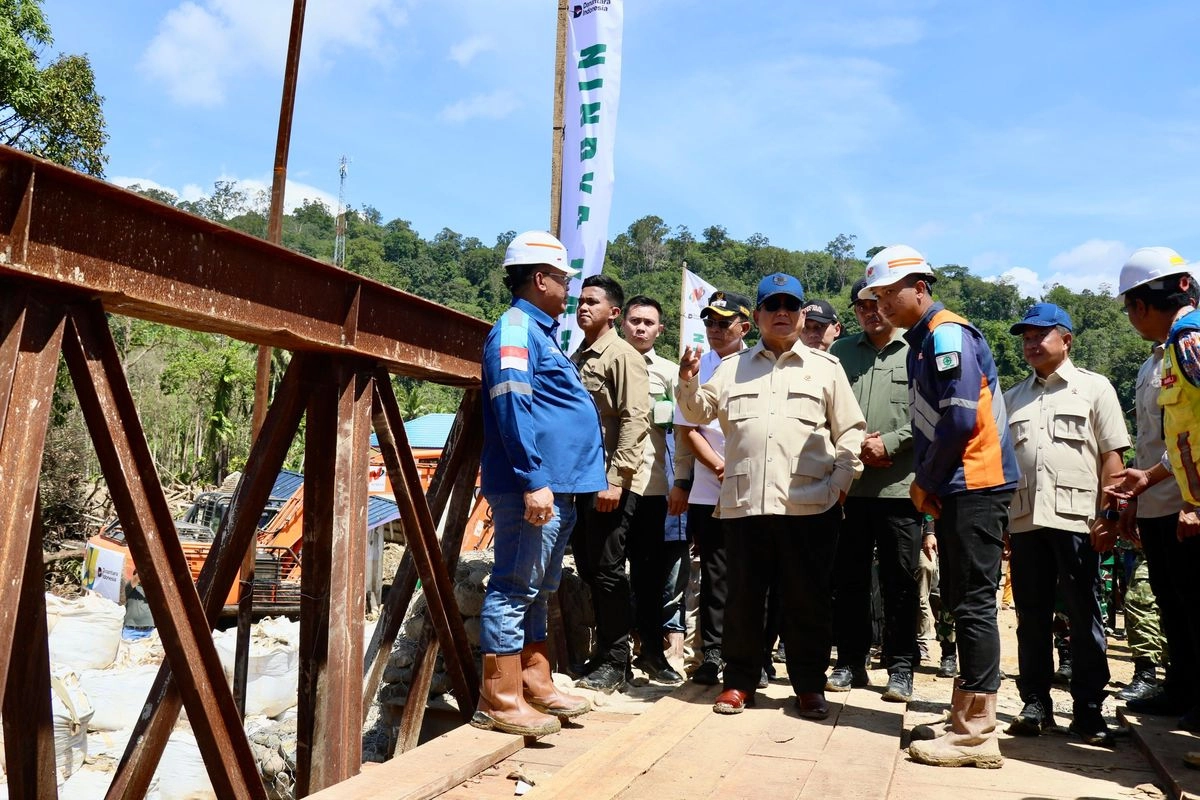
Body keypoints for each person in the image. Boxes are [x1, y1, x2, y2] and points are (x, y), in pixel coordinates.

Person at [679, 273, 865, 719]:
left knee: (808, 599)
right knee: (742, 598)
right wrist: (686, 380)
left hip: (810, 505)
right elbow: (696, 412)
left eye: (790, 306)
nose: (782, 313)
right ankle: (739, 683)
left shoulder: (827, 368)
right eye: (772, 306)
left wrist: (840, 482)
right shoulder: (731, 368)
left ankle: (808, 686)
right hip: (744, 505)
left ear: (802, 315)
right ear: (757, 317)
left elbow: (851, 431)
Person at [860, 244, 1017, 769]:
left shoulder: (948, 334)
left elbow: (957, 420)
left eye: (888, 294)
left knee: (972, 603)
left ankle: (976, 734)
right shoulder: (922, 341)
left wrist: (924, 481)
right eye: (875, 297)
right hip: (956, 484)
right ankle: (963, 716)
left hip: (975, 480)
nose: (881, 305)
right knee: (959, 596)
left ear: (919, 288)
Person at [474, 230, 606, 737]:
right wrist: (532, 479)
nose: (569, 289)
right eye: (563, 279)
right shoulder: (513, 329)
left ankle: (535, 682)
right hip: (533, 484)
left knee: (540, 586)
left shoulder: (541, 331)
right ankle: (499, 698)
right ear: (539, 278)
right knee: (513, 585)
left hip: (557, 484)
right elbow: (511, 402)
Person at [1002, 303, 1129, 746]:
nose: (1032, 344)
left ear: (1066, 339)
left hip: (1078, 521)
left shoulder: (1095, 389)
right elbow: (1005, 467)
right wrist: (1003, 525)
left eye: (1041, 335)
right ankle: (1035, 702)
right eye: (1026, 337)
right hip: (1024, 520)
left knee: (1084, 613)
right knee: (1030, 617)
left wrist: (1109, 516)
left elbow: (1113, 456)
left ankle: (1089, 710)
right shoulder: (1013, 397)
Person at [1103, 247, 1200, 736]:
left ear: (1141, 306)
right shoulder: (1155, 360)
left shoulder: (1191, 342)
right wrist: (1140, 494)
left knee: (1192, 599)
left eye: (1129, 309)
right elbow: (1164, 439)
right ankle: (1183, 688)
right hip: (1164, 499)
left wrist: (1195, 502)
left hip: (1187, 500)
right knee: (1171, 596)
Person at [828, 277, 921, 702]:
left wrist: (892, 442)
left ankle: (901, 667)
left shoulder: (919, 350)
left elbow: (932, 414)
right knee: (848, 580)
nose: (869, 311)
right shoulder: (839, 354)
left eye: (875, 302)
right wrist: (854, 448)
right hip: (849, 486)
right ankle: (850, 662)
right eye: (860, 306)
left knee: (901, 582)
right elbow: (823, 413)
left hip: (901, 489)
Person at [572, 275, 651, 693]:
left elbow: (635, 419)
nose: (583, 307)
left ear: (614, 312)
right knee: (589, 567)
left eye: (592, 302)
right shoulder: (579, 355)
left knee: (607, 570)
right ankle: (605, 655)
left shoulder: (622, 356)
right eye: (580, 301)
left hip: (610, 481)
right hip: (583, 479)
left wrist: (616, 478)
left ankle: (618, 662)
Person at [669, 290, 753, 686]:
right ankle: (712, 653)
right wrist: (718, 466)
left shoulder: (758, 364)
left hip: (754, 487)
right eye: (710, 323)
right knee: (715, 575)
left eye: (724, 323)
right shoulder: (694, 368)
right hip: (709, 487)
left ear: (744, 327)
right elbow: (686, 428)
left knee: (754, 572)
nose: (716, 330)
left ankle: (755, 656)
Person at [621, 294, 685, 684]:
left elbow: (685, 430)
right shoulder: (605, 363)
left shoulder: (670, 373)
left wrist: (683, 482)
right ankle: (612, 656)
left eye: (649, 322)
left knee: (649, 575)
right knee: (608, 572)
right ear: (622, 323)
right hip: (609, 486)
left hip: (654, 487)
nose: (641, 328)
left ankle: (651, 653)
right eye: (635, 321)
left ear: (660, 329)